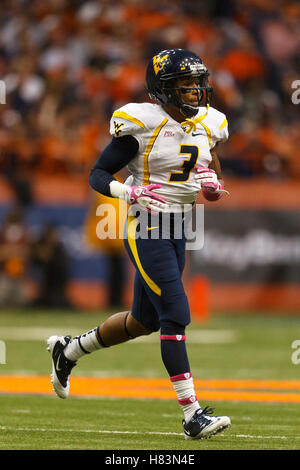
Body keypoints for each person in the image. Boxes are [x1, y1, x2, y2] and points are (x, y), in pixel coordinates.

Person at [47, 49, 230, 440]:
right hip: (146, 225)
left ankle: (69, 351)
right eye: (185, 85)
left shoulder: (208, 123)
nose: (196, 92)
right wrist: (128, 193)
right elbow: (97, 174)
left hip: (181, 223)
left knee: (143, 321)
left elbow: (209, 168)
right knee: (175, 314)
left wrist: (212, 186)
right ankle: (192, 415)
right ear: (162, 91)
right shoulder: (142, 124)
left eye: (198, 83)